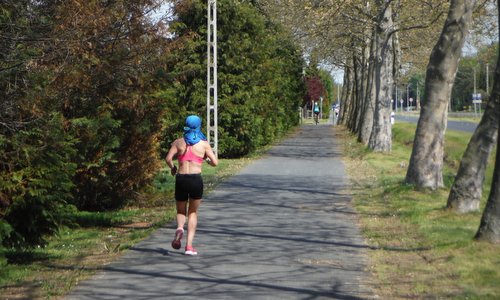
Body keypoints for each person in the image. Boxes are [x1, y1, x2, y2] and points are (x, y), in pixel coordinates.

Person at [166, 115, 218, 255]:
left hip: (181, 179)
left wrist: (173, 168)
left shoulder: (178, 142)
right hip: (195, 180)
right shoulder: (203, 143)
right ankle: (189, 246)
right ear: (198, 125)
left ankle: (180, 228)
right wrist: (206, 160)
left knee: (181, 210)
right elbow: (215, 163)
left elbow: (168, 158)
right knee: (193, 212)